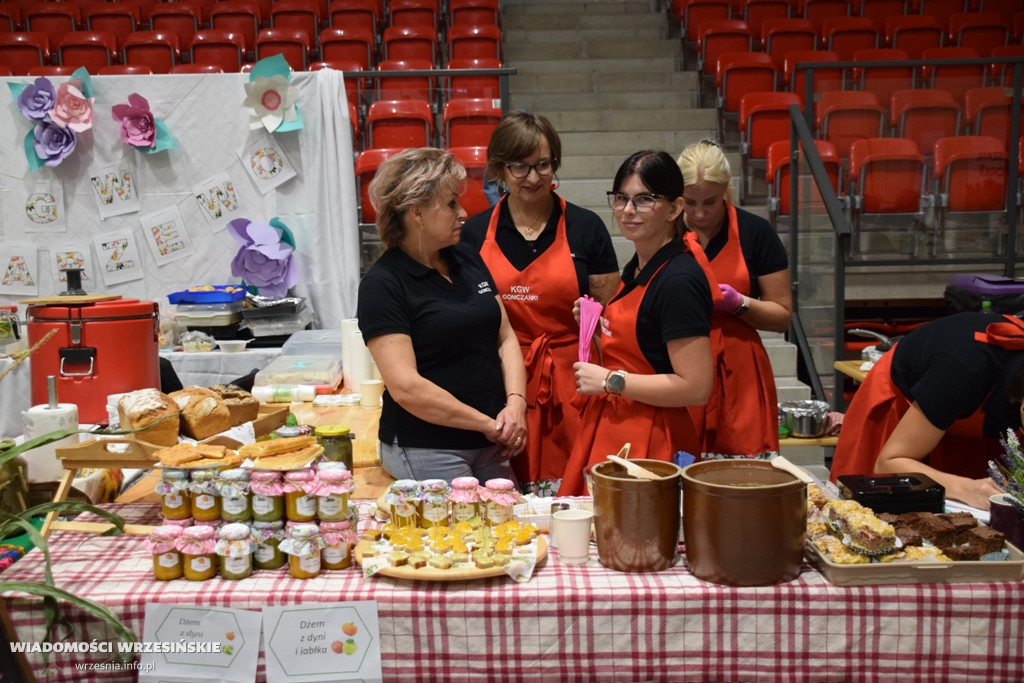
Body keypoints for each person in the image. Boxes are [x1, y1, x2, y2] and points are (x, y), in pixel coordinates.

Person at [461, 111, 620, 494]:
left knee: (580, 495)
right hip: (500, 383)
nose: (533, 178)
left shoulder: (586, 228)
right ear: (499, 168)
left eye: (543, 165)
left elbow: (614, 316)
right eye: (520, 167)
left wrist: (598, 322)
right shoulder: (474, 232)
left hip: (574, 382)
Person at [356, 148, 528, 484]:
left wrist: (516, 404)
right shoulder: (383, 284)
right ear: (417, 212)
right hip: (429, 446)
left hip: (491, 439)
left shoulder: (466, 258)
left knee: (510, 531)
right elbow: (407, 388)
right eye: (451, 204)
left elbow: (505, 336)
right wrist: (489, 424)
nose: (463, 213)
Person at [557, 150, 715, 496]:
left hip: (655, 438)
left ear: (674, 209)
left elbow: (696, 387)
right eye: (622, 199)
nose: (628, 211)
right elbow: (639, 351)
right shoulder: (638, 268)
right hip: (618, 427)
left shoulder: (679, 281)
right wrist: (596, 330)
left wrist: (612, 381)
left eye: (644, 200)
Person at [831, 311, 1024, 510]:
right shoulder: (959, 372)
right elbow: (889, 464)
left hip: (968, 406)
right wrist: (968, 489)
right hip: (904, 411)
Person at [676, 139, 792, 460]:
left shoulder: (756, 233)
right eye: (690, 203)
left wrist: (740, 303)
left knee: (743, 472)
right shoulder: (665, 232)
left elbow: (782, 314)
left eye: (710, 202)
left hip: (740, 370)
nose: (699, 213)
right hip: (681, 365)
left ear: (727, 190)